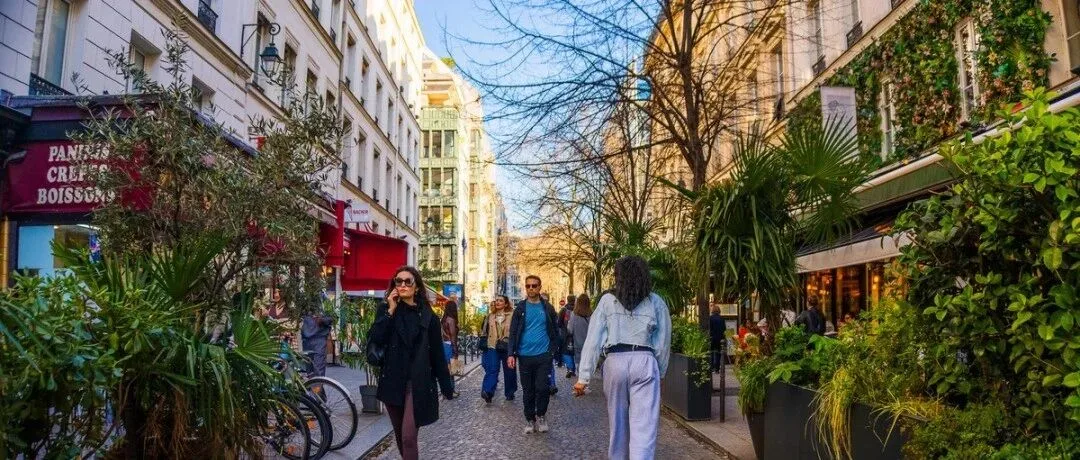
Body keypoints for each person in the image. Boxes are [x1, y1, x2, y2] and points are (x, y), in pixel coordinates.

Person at [574, 256, 672, 460]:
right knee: (644, 426)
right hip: (644, 360)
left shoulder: (608, 300)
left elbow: (593, 339)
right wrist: (661, 372)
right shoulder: (655, 301)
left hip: (615, 360)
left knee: (617, 423)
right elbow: (663, 343)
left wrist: (583, 377)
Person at [367, 266, 455, 460]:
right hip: (392, 381)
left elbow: (437, 354)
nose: (403, 285)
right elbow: (376, 338)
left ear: (416, 287)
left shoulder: (428, 316)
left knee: (408, 436)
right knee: (400, 437)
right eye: (399, 281)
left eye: (408, 281)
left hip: (418, 382)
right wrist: (390, 310)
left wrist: (446, 385)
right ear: (394, 285)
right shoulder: (386, 310)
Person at [507, 275, 561, 434]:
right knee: (528, 389)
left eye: (534, 285)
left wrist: (553, 350)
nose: (531, 288)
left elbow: (556, 330)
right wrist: (511, 354)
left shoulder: (548, 308)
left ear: (539, 287)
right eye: (528, 286)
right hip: (524, 356)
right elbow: (513, 332)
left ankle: (542, 414)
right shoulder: (520, 309)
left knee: (543, 388)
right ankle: (530, 419)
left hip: (544, 355)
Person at [479, 294, 518, 403]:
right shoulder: (490, 316)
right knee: (492, 369)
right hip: (493, 346)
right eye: (496, 300)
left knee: (509, 370)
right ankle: (488, 392)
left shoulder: (512, 315)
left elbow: (516, 331)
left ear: (506, 303)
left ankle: (510, 392)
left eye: (500, 301)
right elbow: (484, 331)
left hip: (508, 346)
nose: (497, 302)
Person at [301, 308, 333, 377]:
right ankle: (310, 387)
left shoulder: (323, 300)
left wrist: (322, 320)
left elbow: (332, 317)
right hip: (306, 340)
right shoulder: (303, 302)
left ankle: (318, 386)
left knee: (318, 368)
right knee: (308, 369)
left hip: (319, 339)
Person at [568, 293, 592, 376]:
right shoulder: (591, 315)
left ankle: (580, 381)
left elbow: (570, 329)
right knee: (587, 363)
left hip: (577, 343)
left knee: (578, 362)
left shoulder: (574, 314)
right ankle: (586, 383)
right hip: (589, 344)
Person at [560, 294, 577, 378]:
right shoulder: (578, 309)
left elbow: (559, 323)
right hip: (576, 334)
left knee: (566, 352)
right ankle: (574, 369)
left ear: (567, 300)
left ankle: (570, 368)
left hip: (566, 335)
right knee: (575, 351)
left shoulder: (564, 310)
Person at [442, 300, 460, 366]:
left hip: (444, 345)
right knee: (451, 372)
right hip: (450, 347)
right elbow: (453, 338)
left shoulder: (444, 319)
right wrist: (456, 353)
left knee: (446, 371)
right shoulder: (451, 320)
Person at [709, 304, 725, 374]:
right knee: (718, 353)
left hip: (712, 337)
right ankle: (717, 369)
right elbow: (724, 328)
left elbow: (709, 328)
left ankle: (712, 367)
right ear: (719, 311)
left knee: (711, 352)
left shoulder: (710, 318)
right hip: (720, 338)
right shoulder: (721, 318)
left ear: (712, 310)